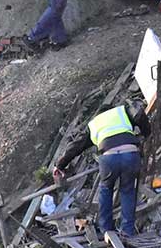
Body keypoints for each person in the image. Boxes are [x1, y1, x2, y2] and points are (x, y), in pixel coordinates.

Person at [52, 101, 151, 237]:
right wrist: (146, 133)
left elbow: (76, 146)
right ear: (111, 110)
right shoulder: (122, 112)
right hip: (130, 154)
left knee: (106, 190)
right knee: (127, 191)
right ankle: (128, 231)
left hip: (109, 159)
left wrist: (60, 165)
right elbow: (140, 115)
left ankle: (107, 230)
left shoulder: (94, 124)